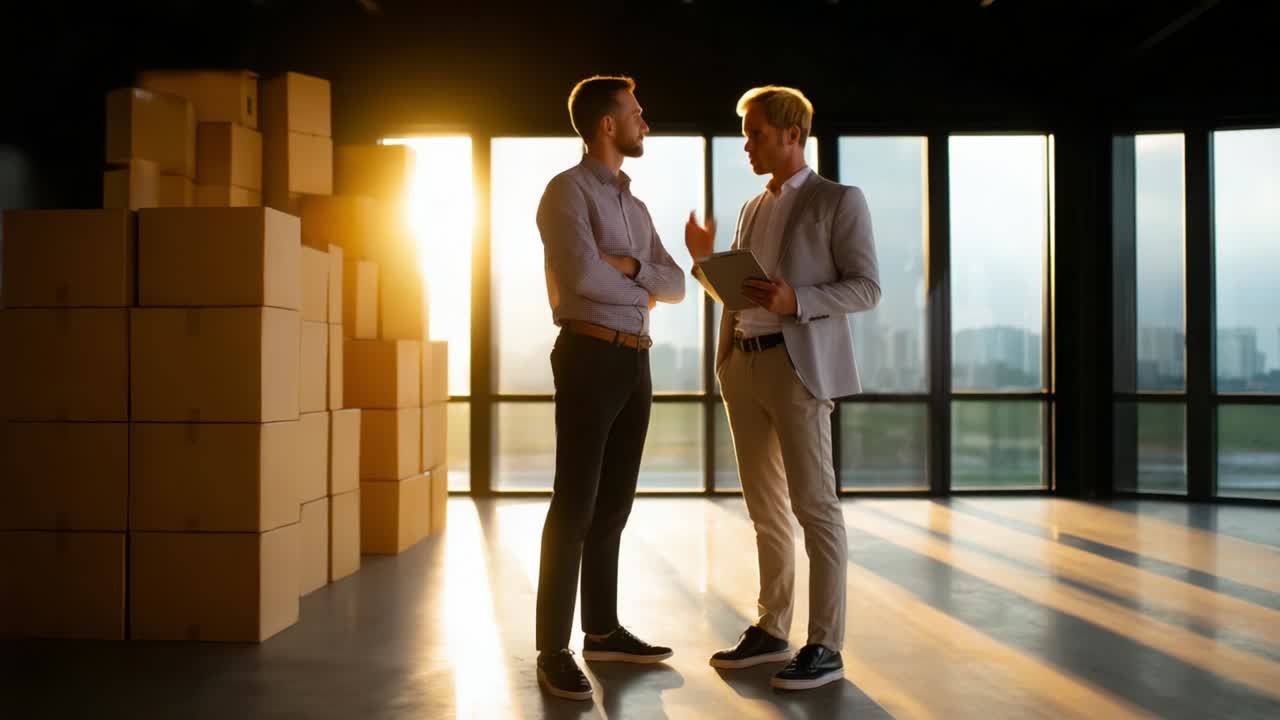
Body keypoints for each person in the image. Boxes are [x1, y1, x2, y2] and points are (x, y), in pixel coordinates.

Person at [686, 85, 880, 691]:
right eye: (746, 134)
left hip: (798, 370)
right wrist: (703, 262)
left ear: (792, 135)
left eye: (757, 133)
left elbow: (866, 287)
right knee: (765, 509)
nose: (747, 144)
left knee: (815, 508)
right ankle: (773, 627)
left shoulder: (839, 201)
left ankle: (826, 644)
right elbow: (743, 294)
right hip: (742, 365)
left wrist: (798, 300)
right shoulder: (750, 208)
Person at [533, 75, 686, 701]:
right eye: (636, 113)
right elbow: (581, 278)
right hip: (589, 356)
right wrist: (637, 284)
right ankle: (552, 648)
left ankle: (600, 631)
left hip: (635, 361)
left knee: (614, 506)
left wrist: (629, 269)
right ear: (607, 124)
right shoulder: (565, 193)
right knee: (574, 505)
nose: (643, 122)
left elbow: (675, 284)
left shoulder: (636, 206)